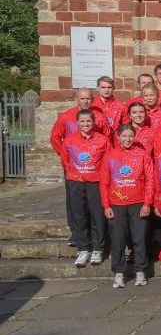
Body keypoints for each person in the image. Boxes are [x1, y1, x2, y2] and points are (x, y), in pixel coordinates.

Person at [100, 124, 154, 288]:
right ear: (118, 137)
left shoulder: (143, 154)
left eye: (131, 136)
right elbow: (104, 182)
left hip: (138, 203)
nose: (128, 139)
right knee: (118, 240)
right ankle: (119, 273)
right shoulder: (110, 156)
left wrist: (147, 203)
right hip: (116, 204)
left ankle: (140, 271)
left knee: (139, 239)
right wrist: (106, 205)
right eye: (124, 136)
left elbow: (150, 180)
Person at [61, 109, 111, 267]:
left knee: (97, 215)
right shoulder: (69, 140)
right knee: (79, 214)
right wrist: (74, 173)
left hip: (95, 182)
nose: (86, 124)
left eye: (88, 121)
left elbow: (108, 160)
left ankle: (97, 248)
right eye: (82, 121)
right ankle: (83, 248)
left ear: (94, 122)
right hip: (76, 181)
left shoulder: (103, 140)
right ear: (77, 123)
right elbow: (65, 159)